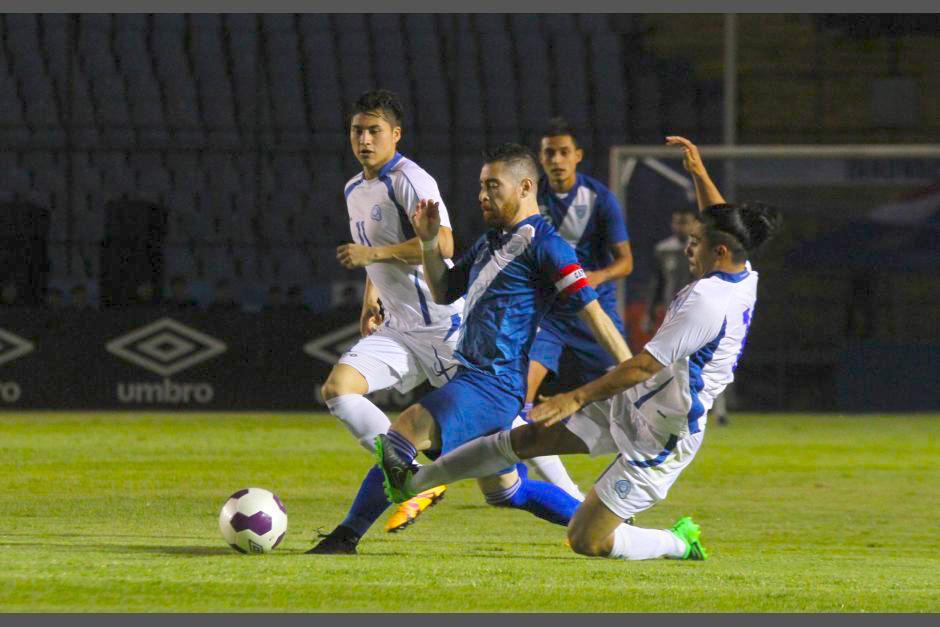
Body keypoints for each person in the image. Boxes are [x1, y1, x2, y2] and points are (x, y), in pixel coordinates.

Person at [378, 136, 781, 562]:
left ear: (719, 251)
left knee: (585, 540)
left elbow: (643, 365)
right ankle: (413, 483)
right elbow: (721, 224)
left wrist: (574, 397)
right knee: (522, 439)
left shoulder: (709, 301)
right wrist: (699, 174)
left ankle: (678, 542)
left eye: (696, 241)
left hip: (663, 432)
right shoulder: (741, 271)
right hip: (633, 402)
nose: (687, 246)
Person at [364, 143, 631, 551]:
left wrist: (634, 370)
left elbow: (594, 315)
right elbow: (442, 291)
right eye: (480, 186)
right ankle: (631, 538)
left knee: (400, 437)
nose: (482, 195)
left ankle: (346, 535)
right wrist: (431, 243)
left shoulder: (548, 245)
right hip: (474, 376)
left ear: (525, 187)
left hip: (492, 383)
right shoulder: (491, 240)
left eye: (492, 186)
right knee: (508, 492)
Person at [310, 89, 463, 547]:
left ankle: (587, 504)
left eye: (375, 130)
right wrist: (369, 296)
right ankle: (417, 474)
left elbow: (447, 246)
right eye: (358, 130)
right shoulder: (353, 189)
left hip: (443, 324)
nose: (364, 139)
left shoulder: (412, 179)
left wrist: (371, 256)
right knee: (339, 389)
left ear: (396, 135)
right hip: (398, 327)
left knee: (512, 431)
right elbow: (374, 254)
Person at [520, 118, 635, 500]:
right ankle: (516, 471)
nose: (556, 159)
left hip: (593, 313)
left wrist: (596, 279)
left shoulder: (600, 199)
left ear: (578, 156)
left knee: (629, 398)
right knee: (520, 392)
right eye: (549, 152)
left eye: (564, 152)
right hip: (550, 314)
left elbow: (626, 262)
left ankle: (623, 489)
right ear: (540, 157)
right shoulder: (531, 198)